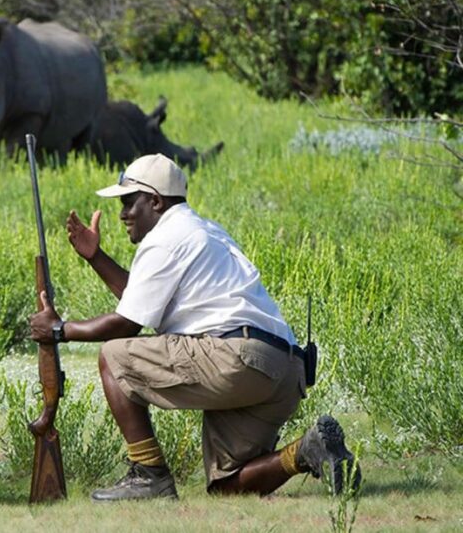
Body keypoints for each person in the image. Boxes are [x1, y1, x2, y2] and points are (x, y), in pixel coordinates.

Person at [29, 154, 361, 501]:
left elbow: (126, 324)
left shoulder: (164, 239)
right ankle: (307, 450)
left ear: (155, 201)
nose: (122, 213)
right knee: (226, 486)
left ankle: (148, 474)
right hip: (285, 368)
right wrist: (96, 257)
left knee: (113, 356)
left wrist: (58, 330)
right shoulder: (204, 229)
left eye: (129, 202)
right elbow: (140, 301)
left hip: (235, 359)